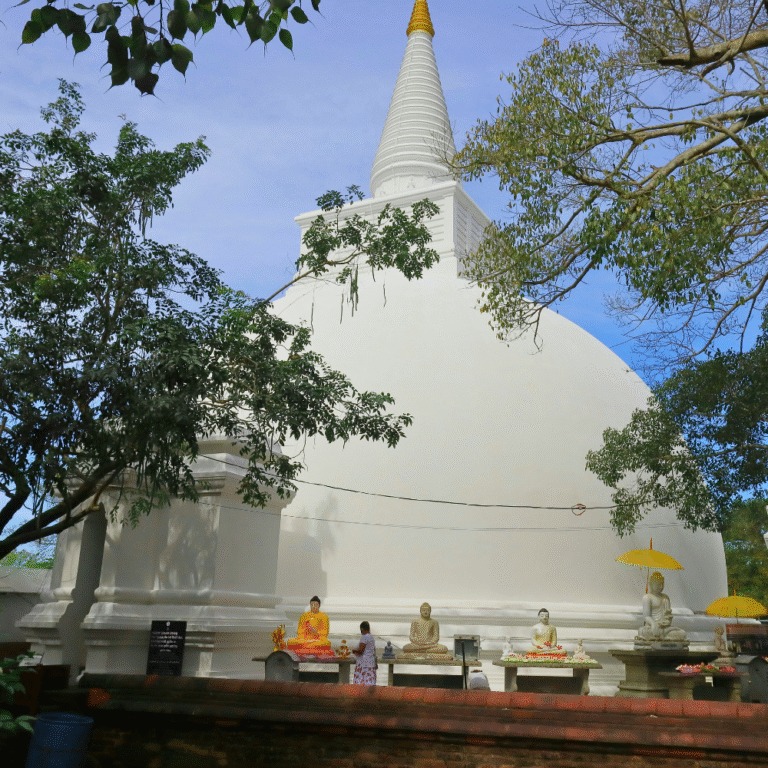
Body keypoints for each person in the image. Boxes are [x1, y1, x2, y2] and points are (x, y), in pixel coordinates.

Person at [636, 572, 687, 644]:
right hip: (652, 627)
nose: (661, 586)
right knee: (642, 631)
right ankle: (663, 637)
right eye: (658, 584)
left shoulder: (665, 598)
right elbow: (646, 616)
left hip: (665, 628)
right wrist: (653, 624)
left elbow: (668, 615)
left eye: (662, 584)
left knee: (682, 633)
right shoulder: (647, 597)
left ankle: (661, 637)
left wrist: (667, 621)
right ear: (651, 584)